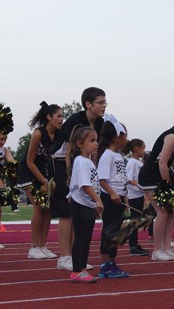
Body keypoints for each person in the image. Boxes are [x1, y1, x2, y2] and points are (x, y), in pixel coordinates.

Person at [50, 87, 107, 271]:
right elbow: (68, 151)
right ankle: (64, 256)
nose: (104, 106)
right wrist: (69, 176)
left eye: (105, 102)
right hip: (63, 163)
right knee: (67, 212)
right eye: (101, 102)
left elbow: (96, 151)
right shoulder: (76, 121)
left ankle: (76, 257)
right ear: (88, 104)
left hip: (82, 164)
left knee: (79, 216)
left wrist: (94, 173)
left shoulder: (100, 123)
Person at [138, 103, 174, 261]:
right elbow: (162, 163)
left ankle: (166, 247)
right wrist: (168, 184)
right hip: (151, 177)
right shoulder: (172, 136)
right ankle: (157, 250)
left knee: (171, 212)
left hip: (161, 177)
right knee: (163, 212)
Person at [17, 101, 63, 259]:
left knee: (48, 208)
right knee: (38, 207)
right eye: (58, 116)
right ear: (49, 117)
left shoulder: (58, 134)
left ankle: (43, 246)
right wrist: (43, 181)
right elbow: (29, 161)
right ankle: (33, 247)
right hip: (28, 171)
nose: (61, 119)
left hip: (43, 172)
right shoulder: (38, 133)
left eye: (62, 116)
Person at [67, 127, 103, 283]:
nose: (96, 144)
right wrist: (97, 200)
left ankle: (81, 268)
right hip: (81, 203)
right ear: (80, 143)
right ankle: (77, 271)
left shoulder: (88, 161)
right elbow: (84, 184)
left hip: (87, 204)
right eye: (92, 140)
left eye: (96, 140)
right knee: (81, 238)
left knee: (86, 238)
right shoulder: (81, 161)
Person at [97, 117, 129, 278]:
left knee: (115, 232)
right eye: (125, 135)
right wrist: (112, 193)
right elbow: (102, 179)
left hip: (119, 198)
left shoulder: (118, 156)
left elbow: (121, 178)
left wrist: (125, 199)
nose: (127, 139)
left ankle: (112, 262)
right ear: (117, 137)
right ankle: (105, 265)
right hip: (111, 198)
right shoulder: (107, 155)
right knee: (109, 231)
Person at [124, 138, 149, 256]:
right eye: (143, 148)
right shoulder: (132, 162)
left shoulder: (138, 162)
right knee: (135, 220)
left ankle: (135, 244)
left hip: (139, 194)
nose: (144, 151)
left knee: (137, 220)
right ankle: (132, 246)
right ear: (137, 149)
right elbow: (128, 178)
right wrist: (140, 186)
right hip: (134, 195)